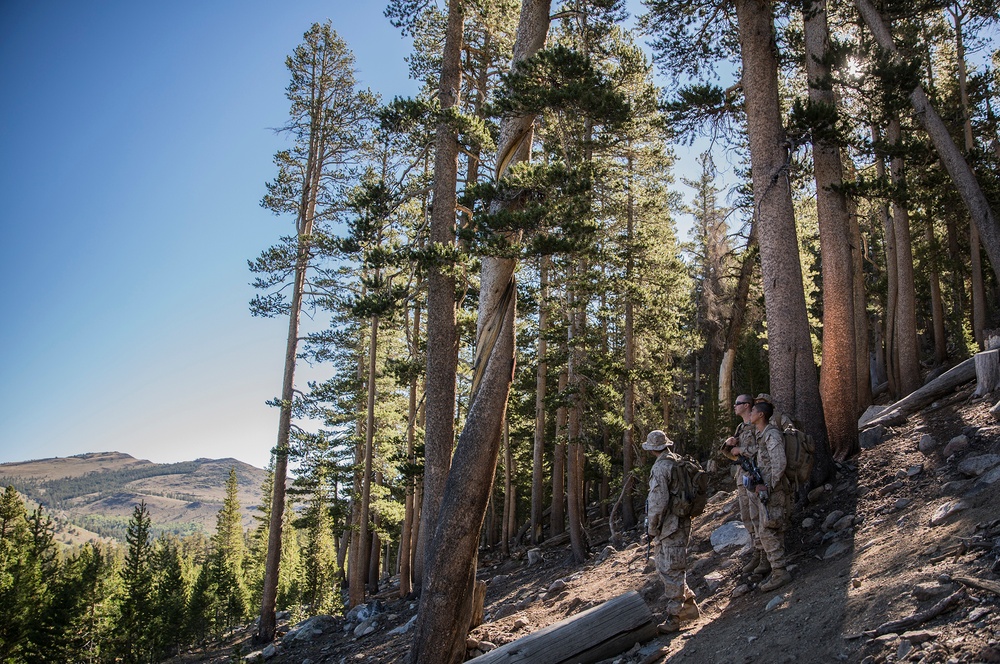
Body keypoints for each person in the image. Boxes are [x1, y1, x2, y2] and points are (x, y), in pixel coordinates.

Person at [644, 430, 700, 633]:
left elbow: (658, 502)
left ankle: (675, 616)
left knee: (670, 569)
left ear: (652, 449)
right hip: (681, 521)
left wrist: (652, 527)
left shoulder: (661, 467)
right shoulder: (678, 461)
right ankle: (689, 604)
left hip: (669, 525)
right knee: (669, 565)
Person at [748, 401, 792, 592]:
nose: (750, 414)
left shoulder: (771, 434)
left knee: (767, 530)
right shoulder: (761, 435)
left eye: (753, 412)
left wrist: (770, 486)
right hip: (768, 490)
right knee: (775, 528)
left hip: (773, 491)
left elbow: (779, 462)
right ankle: (778, 570)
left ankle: (779, 571)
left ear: (761, 415)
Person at [722, 395, 764, 574]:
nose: (734, 406)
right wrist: (728, 445)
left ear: (747, 406)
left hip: (756, 477)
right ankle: (757, 552)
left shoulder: (757, 425)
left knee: (757, 516)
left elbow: (763, 449)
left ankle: (765, 555)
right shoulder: (740, 427)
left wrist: (742, 450)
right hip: (742, 478)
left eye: (737, 403)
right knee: (747, 517)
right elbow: (733, 455)